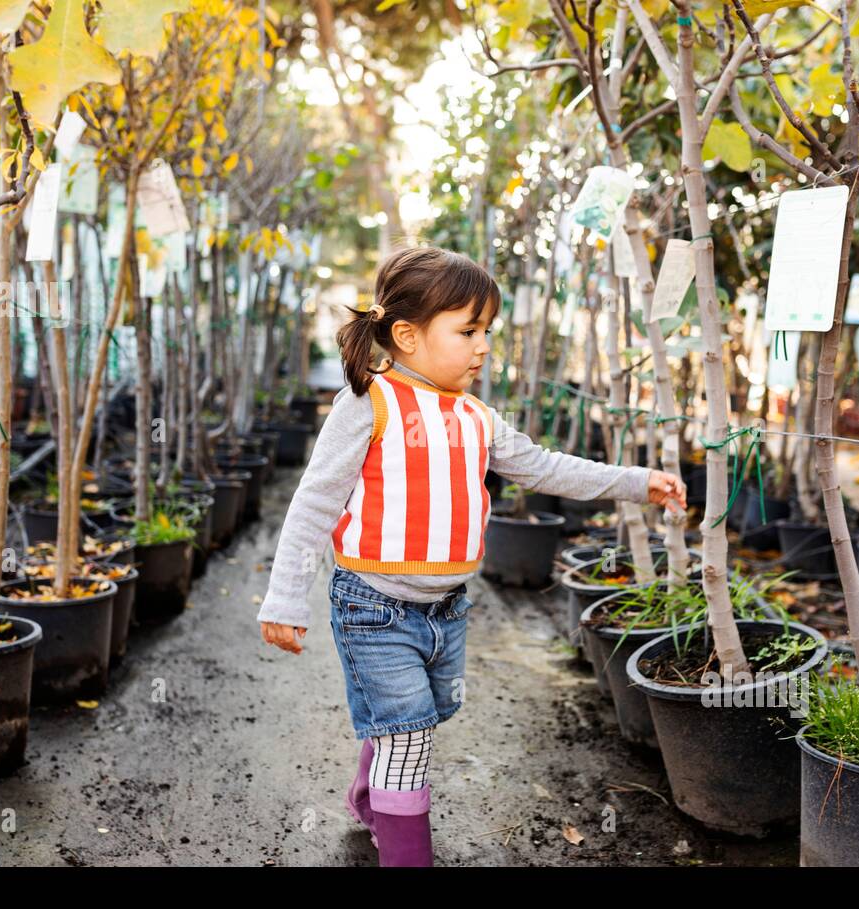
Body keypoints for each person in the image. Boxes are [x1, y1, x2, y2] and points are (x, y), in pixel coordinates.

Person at [256, 246, 686, 867]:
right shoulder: (370, 402)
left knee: (420, 718)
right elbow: (315, 502)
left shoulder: (478, 416)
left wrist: (635, 481)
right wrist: (285, 596)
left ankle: (370, 794)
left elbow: (544, 467)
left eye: (487, 332)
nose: (484, 346)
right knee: (409, 735)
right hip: (373, 608)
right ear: (405, 335)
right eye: (468, 331)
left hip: (447, 611)